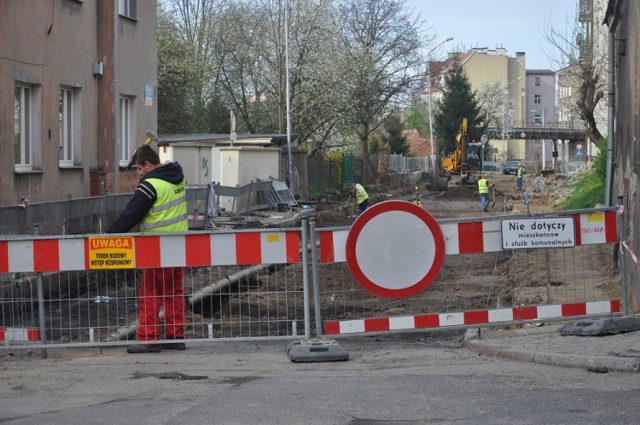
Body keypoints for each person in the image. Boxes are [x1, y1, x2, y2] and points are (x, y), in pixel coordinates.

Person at [107, 145, 189, 354]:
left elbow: (129, 216)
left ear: (148, 165)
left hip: (156, 249)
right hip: (179, 247)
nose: (138, 173)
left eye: (139, 168)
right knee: (174, 294)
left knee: (150, 295)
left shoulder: (150, 185)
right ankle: (176, 336)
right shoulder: (177, 178)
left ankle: (149, 338)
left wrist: (106, 236)